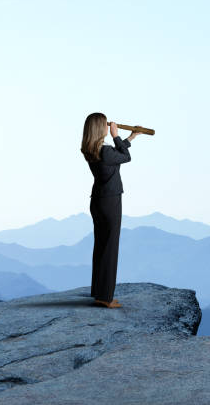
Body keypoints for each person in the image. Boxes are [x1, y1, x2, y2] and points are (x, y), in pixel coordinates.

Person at [80, 112, 142, 308]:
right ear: (100, 128)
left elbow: (116, 156)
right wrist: (116, 135)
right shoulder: (106, 150)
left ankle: (98, 291)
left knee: (100, 246)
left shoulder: (90, 149)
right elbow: (125, 157)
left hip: (97, 201)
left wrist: (131, 137)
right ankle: (106, 297)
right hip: (110, 201)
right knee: (110, 248)